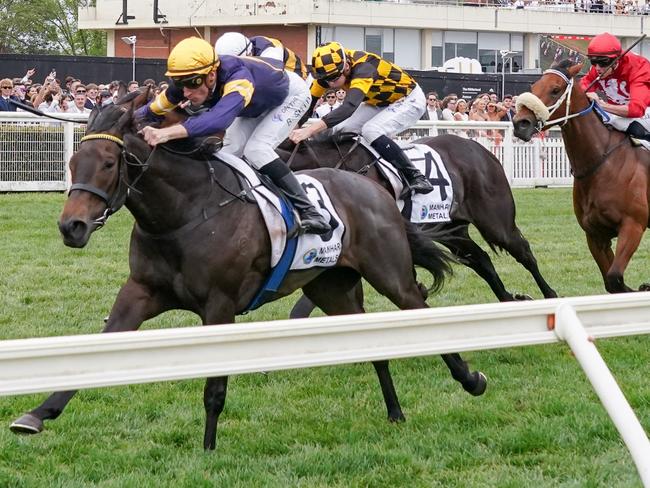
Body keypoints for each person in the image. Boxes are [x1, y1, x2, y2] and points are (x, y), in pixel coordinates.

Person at [136, 37, 330, 234]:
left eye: (190, 83)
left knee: (257, 150)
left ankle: (310, 212)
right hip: (257, 105)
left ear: (211, 75)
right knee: (227, 153)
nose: (185, 92)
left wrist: (165, 133)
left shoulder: (239, 77)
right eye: (179, 83)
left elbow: (217, 120)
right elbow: (149, 111)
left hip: (290, 95)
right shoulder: (191, 80)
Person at [289, 41, 433, 194]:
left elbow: (348, 107)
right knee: (339, 128)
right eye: (326, 80)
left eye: (334, 79)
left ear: (346, 67)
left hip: (408, 99)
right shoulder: (327, 73)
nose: (330, 85)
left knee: (371, 130)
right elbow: (308, 105)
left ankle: (414, 176)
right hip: (378, 101)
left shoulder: (363, 67)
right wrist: (294, 127)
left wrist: (309, 130)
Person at [580, 32, 650, 140]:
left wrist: (602, 105)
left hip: (644, 111)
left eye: (603, 62)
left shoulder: (639, 68)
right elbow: (583, 86)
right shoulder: (599, 69)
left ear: (617, 59)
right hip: (619, 110)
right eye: (593, 62)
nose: (597, 68)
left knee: (635, 129)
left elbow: (636, 110)